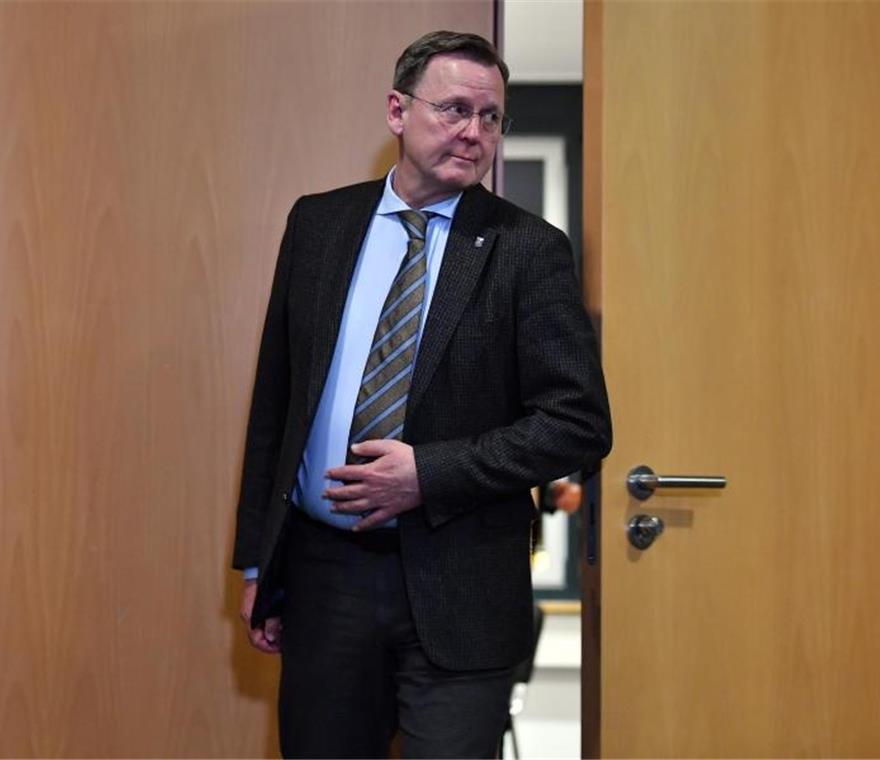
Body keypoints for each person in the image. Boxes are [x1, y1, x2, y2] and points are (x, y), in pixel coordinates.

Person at [232, 30, 611, 759]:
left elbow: (578, 424)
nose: (475, 132)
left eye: (492, 116)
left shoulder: (529, 249)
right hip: (323, 576)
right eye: (455, 109)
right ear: (397, 111)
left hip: (460, 580)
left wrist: (427, 474)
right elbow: (274, 405)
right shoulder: (318, 225)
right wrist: (259, 563)